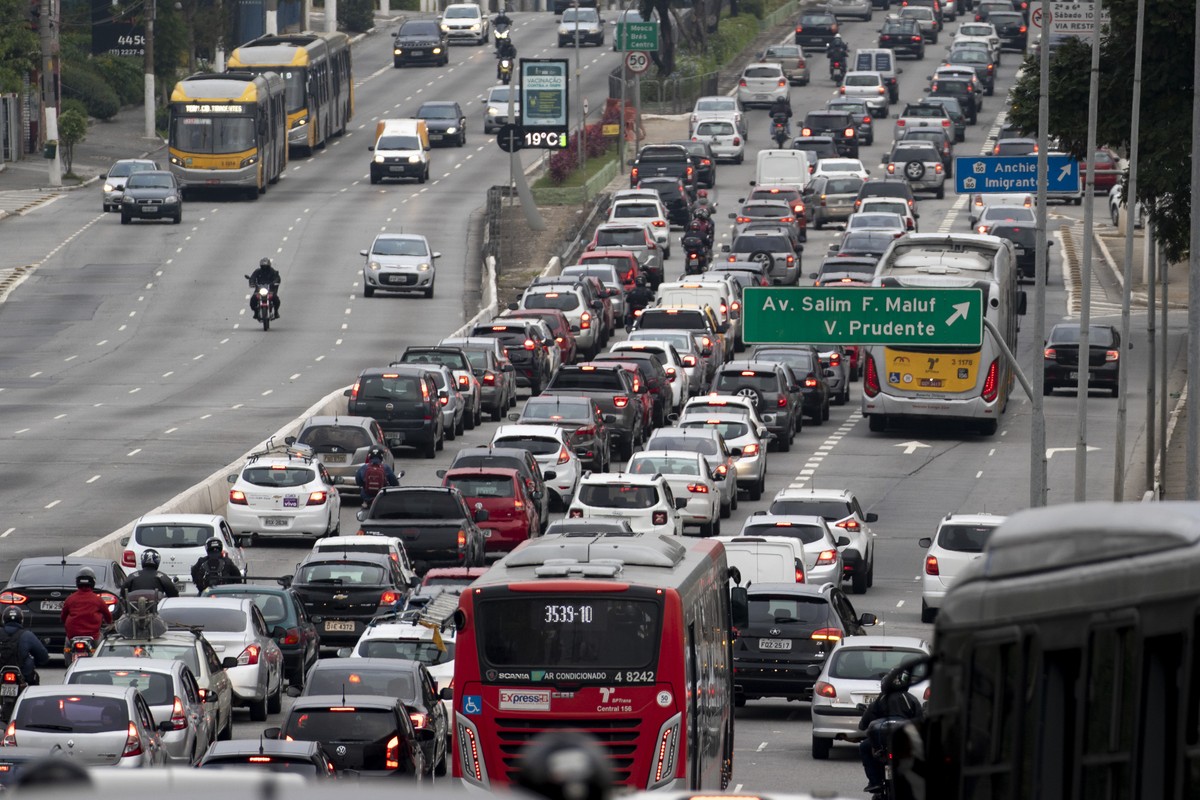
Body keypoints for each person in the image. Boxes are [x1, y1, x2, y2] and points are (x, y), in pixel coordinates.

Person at [858, 666, 924, 795]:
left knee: (864, 747)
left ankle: (875, 781)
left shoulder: (879, 700)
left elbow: (863, 724)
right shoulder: (911, 699)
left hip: (883, 745)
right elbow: (920, 721)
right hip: (904, 743)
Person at [59, 568, 113, 654]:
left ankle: (69, 663)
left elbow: (63, 617)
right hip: (93, 636)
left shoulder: (70, 599)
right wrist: (109, 623)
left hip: (72, 635)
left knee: (67, 647)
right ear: (93, 583)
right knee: (100, 649)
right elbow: (108, 617)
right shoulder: (97, 600)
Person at [0, 607, 50, 685]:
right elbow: (43, 656)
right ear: (21, 620)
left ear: (3, 620)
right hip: (24, 675)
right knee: (34, 681)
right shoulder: (27, 635)